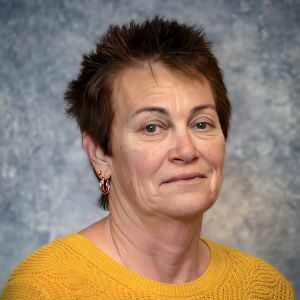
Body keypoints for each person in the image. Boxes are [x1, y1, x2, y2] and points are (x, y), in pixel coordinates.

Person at [1, 16, 294, 299]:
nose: (187, 150)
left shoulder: (263, 289)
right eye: (152, 127)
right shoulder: (44, 290)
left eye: (201, 124)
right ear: (100, 154)